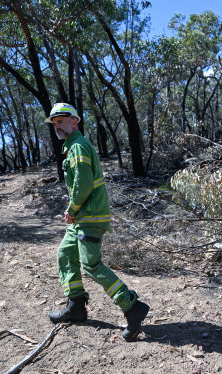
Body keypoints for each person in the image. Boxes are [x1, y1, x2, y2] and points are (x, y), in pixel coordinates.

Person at [45, 103, 149, 341]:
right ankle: (77, 307)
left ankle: (132, 307)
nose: (58, 126)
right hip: (83, 217)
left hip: (89, 216)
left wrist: (71, 210)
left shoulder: (78, 146)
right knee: (65, 254)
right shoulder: (71, 146)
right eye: (55, 123)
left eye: (62, 121)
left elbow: (82, 184)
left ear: (75, 122)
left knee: (91, 265)